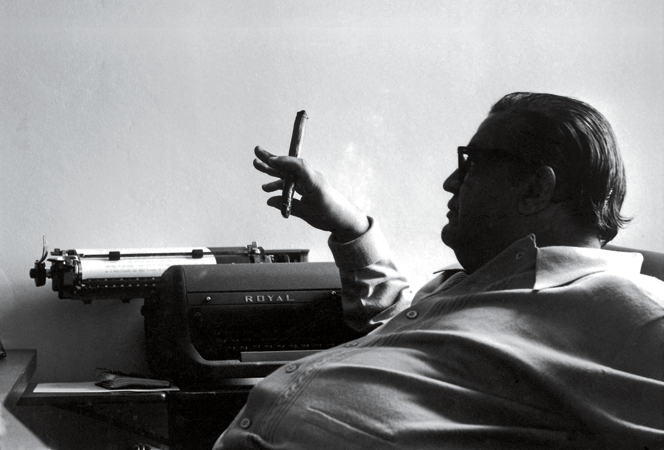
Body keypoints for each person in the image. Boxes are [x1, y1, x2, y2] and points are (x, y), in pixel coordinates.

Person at [213, 93, 664, 449]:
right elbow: (403, 340)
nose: (451, 182)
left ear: (535, 189)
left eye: (470, 164)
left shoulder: (625, 307)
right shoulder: (482, 281)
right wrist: (348, 225)